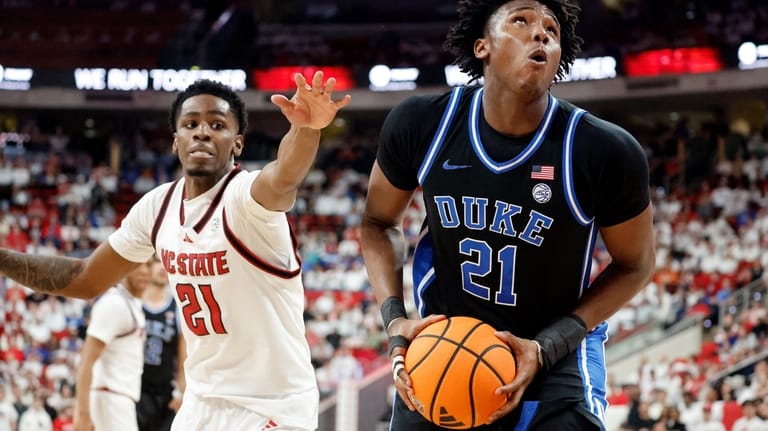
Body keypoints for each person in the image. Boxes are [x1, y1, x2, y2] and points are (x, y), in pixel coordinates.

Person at [360, 0, 655, 430]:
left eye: (551, 30)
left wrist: (549, 345)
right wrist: (394, 318)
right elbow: (376, 222)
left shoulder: (601, 149)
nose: (541, 34)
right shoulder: (423, 122)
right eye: (522, 20)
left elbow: (636, 264)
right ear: (482, 46)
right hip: (444, 348)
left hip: (553, 356)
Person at [1, 72, 350, 431]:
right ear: (175, 141)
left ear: (238, 144)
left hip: (272, 405)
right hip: (202, 404)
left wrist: (306, 129)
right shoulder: (157, 207)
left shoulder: (246, 199)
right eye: (191, 124)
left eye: (217, 125)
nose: (202, 132)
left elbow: (284, 177)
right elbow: (84, 279)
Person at [75, 262, 150, 431]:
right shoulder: (114, 303)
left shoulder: (132, 304)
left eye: (148, 265)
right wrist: (82, 413)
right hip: (109, 398)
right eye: (138, 266)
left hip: (118, 399)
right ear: (123, 269)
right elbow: (87, 360)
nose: (144, 271)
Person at [137, 256, 185, 431]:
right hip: (135, 388)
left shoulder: (178, 308)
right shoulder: (134, 304)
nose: (163, 267)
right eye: (157, 261)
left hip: (165, 394)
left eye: (167, 262)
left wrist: (181, 391)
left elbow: (183, 359)